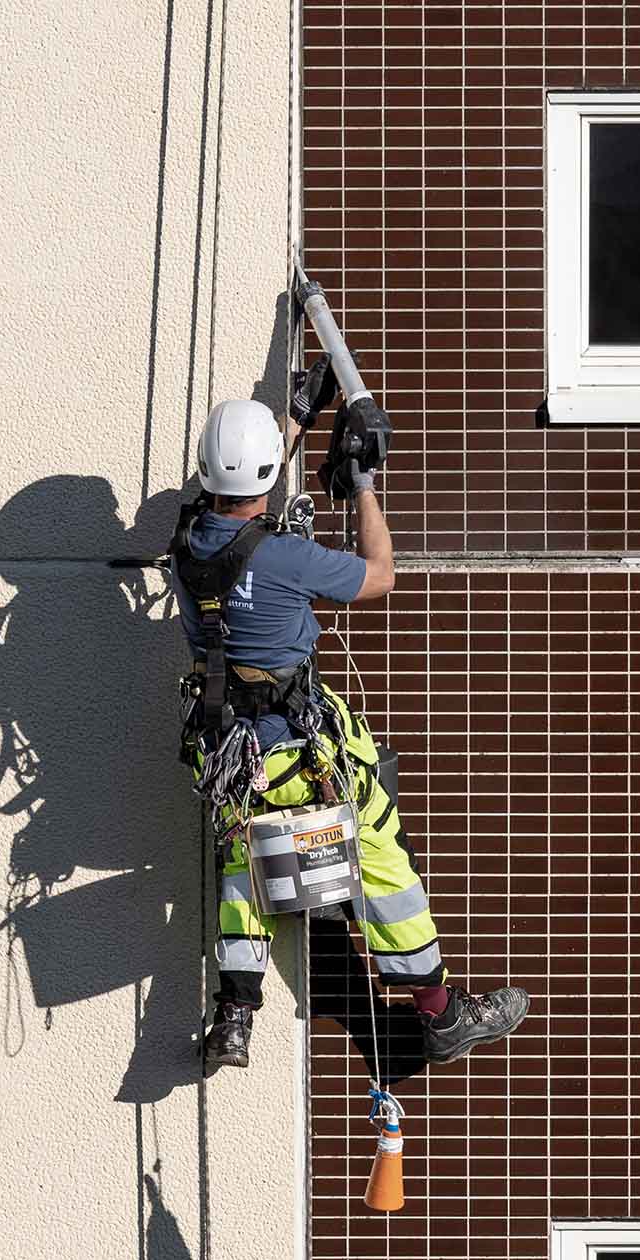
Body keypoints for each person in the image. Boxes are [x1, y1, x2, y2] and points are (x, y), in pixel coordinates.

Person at [175, 381, 527, 1070]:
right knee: (381, 850)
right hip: (302, 748)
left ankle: (234, 1013)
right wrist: (363, 483)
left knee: (246, 858)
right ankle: (441, 1012)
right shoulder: (286, 558)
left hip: (232, 753)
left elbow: (240, 489)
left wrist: (297, 417)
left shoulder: (186, 545)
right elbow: (380, 574)